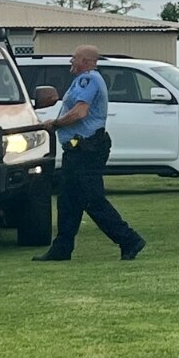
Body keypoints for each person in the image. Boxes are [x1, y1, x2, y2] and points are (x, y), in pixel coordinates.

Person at [32, 45, 146, 262]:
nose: (71, 62)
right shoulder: (81, 80)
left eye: (74, 58)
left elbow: (80, 112)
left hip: (86, 148)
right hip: (76, 149)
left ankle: (129, 239)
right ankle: (61, 249)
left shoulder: (89, 80)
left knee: (92, 199)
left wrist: (55, 124)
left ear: (85, 60)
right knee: (68, 200)